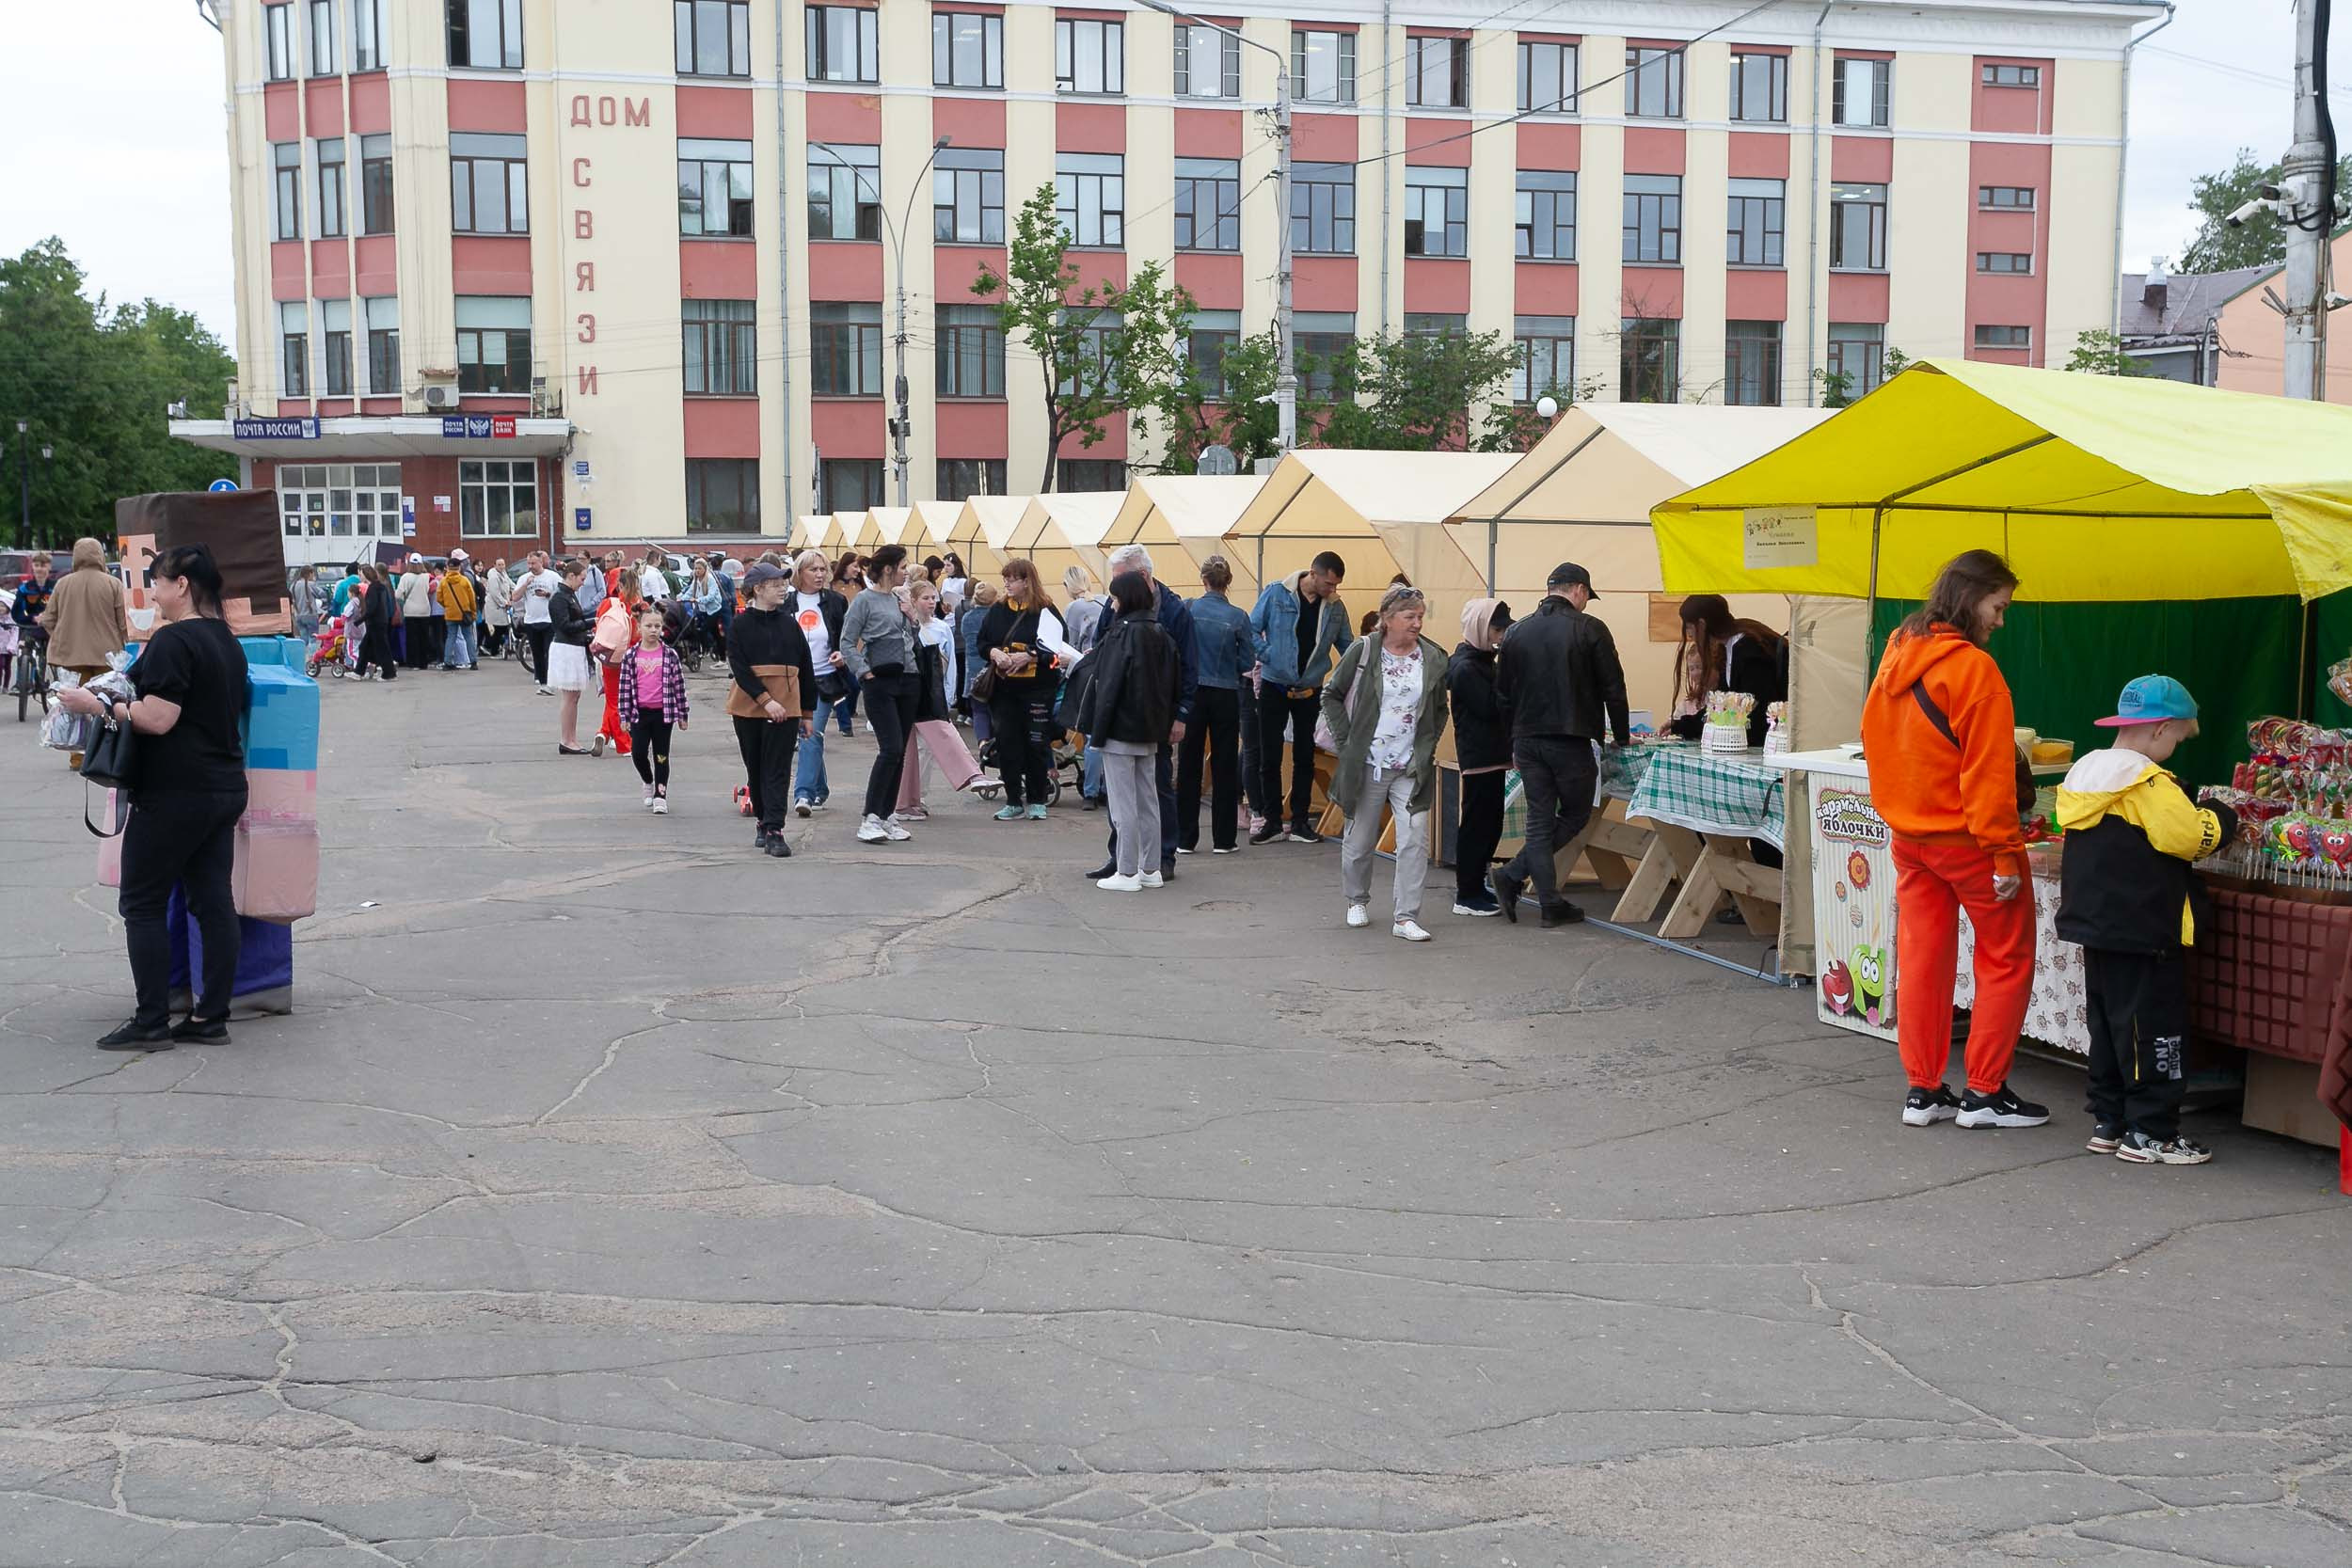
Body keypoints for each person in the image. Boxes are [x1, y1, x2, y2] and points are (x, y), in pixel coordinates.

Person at [1861, 547, 2046, 1132]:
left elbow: (1875, 742)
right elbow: (1988, 772)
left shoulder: (1898, 650)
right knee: (2006, 958)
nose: (2001, 619)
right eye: (1999, 605)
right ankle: (1986, 1092)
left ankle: (1924, 1089)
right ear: (1974, 599)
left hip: (1911, 838)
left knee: (1923, 961)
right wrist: (2001, 850)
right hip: (1970, 840)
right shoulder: (1974, 670)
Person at [52, 546, 248, 1050]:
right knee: (212, 901)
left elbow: (158, 719)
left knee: (141, 901)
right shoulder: (226, 640)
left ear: (182, 585)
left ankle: (151, 1020)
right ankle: (212, 1018)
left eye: (158, 582)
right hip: (223, 786)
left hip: (176, 792)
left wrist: (98, 704)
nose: (153, 592)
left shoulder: (173, 640)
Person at [2055, 676, 2233, 1165]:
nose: (2176, 747)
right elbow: (2190, 837)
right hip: (2146, 927)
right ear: (2160, 729)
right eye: (2178, 737)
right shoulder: (2149, 781)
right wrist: (2222, 816)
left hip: (2097, 925)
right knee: (2157, 1030)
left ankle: (2110, 1120)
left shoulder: (2083, 774)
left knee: (2109, 1028)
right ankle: (2153, 1131)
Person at [1490, 563, 1629, 929]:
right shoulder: (1590, 628)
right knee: (1575, 814)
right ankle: (1530, 888)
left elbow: (1503, 695)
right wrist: (1623, 734)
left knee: (1539, 819)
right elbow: (1613, 689)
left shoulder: (1516, 631)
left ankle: (1534, 890)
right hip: (1571, 737)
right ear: (1580, 590)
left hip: (1527, 738)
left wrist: (1512, 743)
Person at [1322, 584, 1452, 942]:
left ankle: (1406, 916)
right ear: (1388, 619)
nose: (1416, 624)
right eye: (1410, 616)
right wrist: (1349, 743)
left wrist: (1427, 745)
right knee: (1360, 839)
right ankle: (1356, 899)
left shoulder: (1432, 657)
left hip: (1411, 767)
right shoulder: (1363, 650)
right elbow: (1331, 694)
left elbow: (1440, 708)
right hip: (1368, 763)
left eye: (1421, 617)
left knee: (1414, 839)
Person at [1083, 544, 1195, 882]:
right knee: (1143, 797)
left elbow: (1188, 667)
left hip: (1132, 721)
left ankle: (1145, 862)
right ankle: (1138, 863)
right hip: (1149, 720)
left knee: (1136, 797)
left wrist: (1182, 715)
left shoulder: (1171, 612)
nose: (1112, 594)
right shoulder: (1145, 624)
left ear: (1141, 577)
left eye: (1117, 585)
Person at [1248, 551, 1351, 846]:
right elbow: (1251, 628)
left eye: (1336, 585)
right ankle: (1271, 820)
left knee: (1305, 755)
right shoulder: (1277, 593)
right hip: (1274, 686)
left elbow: (1347, 646)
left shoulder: (1335, 607)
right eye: (1329, 583)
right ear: (1313, 574)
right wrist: (1268, 656)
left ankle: (1301, 821)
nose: (1333, 590)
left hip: (1310, 689)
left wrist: (1349, 676)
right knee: (1270, 755)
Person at [977, 558, 1081, 820]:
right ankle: (1013, 800)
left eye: (1012, 579)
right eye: (1006, 579)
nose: (1007, 584)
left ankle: (1037, 800)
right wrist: (994, 653)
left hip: (1038, 690)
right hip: (1004, 690)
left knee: (1037, 743)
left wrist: (1032, 656)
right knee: (1007, 742)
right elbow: (981, 643)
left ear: (1027, 581)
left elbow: (1059, 654)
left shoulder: (1046, 610)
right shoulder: (998, 610)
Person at [728, 561, 818, 856]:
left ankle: (775, 829)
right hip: (749, 706)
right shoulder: (740, 624)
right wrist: (766, 701)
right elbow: (740, 669)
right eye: (776, 584)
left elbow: (805, 668)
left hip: (788, 705)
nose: (783, 589)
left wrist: (807, 712)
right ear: (757, 588)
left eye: (784, 583)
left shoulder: (789, 624)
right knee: (755, 768)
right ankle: (762, 820)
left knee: (778, 769)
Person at [841, 544, 920, 844]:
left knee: (899, 752)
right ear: (888, 569)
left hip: (908, 679)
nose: (906, 572)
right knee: (890, 748)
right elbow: (847, 642)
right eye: (903, 567)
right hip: (880, 681)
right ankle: (870, 816)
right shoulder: (864, 600)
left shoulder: (899, 599)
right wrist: (865, 672)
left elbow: (915, 640)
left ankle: (887, 816)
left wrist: (912, 616)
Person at [1177, 555, 1254, 856]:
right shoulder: (1239, 617)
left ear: (1203, 579)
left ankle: (1185, 838)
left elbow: (1178, 648)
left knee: (1189, 764)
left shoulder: (1189, 608)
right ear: (1229, 582)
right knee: (1223, 765)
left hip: (1193, 692)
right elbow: (1248, 661)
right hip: (1225, 693)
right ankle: (1224, 839)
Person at [896, 576, 986, 819]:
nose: (932, 602)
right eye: (926, 598)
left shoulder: (942, 627)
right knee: (907, 748)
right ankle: (906, 799)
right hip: (911, 692)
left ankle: (918, 796)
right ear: (913, 601)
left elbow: (950, 664)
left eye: (934, 598)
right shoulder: (904, 626)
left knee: (926, 748)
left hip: (933, 693)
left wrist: (949, 694)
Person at [1448, 598, 1513, 916]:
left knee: (1491, 823)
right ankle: (1466, 893)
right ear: (1480, 628)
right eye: (1497, 629)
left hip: (1495, 753)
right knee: (1476, 824)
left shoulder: (1485, 661)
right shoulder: (1465, 667)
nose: (1501, 636)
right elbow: (1490, 708)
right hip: (1479, 755)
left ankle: (1475, 884)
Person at [1665, 594, 1786, 745]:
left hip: (1762, 744)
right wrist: (1681, 725)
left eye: (1689, 627)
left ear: (1702, 625)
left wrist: (1685, 726)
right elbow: (1722, 705)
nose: (1689, 634)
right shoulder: (1730, 648)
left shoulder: (1749, 650)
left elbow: (1750, 709)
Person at [786, 549, 850, 817]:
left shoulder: (836, 601)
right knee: (810, 736)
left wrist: (842, 654)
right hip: (791, 681)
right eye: (813, 569)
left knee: (810, 735)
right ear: (800, 573)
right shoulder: (786, 603)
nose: (820, 574)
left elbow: (848, 636)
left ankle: (803, 794)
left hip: (823, 680)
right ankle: (820, 788)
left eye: (823, 569)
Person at [619, 603, 690, 815]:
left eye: (657, 626)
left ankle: (661, 794)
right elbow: (624, 688)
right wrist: (624, 715)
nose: (653, 630)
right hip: (639, 713)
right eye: (648, 626)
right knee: (638, 753)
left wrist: (682, 714)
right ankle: (648, 780)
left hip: (663, 714)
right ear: (639, 627)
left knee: (661, 756)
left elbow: (679, 686)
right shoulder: (631, 656)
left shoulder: (669, 655)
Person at [39, 537, 131, 687]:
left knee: (76, 704)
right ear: (100, 556)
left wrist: (62, 637)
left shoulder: (62, 584)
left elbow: (48, 619)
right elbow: (124, 623)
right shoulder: (113, 584)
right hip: (107, 656)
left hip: (70, 656)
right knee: (104, 700)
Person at [547, 558, 599, 753]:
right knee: (570, 697)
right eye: (582, 578)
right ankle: (566, 740)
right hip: (566, 649)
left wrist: (587, 632)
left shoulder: (567, 594)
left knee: (574, 696)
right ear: (571, 576)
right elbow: (564, 626)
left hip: (573, 647)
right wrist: (591, 622)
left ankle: (571, 738)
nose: (583, 583)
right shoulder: (560, 597)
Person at [591, 573, 644, 758]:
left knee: (613, 700)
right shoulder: (639, 605)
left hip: (610, 657)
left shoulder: (608, 604)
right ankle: (622, 742)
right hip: (633, 657)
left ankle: (606, 733)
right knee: (628, 700)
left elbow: (598, 628)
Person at [512, 549, 561, 690]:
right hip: (531, 620)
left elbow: (561, 594)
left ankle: (550, 678)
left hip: (548, 620)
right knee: (536, 651)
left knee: (549, 651)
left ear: (541, 562)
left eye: (533, 563)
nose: (530, 566)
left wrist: (548, 594)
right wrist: (526, 584)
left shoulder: (552, 576)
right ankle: (539, 677)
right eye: (529, 563)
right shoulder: (524, 578)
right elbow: (515, 597)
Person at [960, 579, 998, 744]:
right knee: (995, 709)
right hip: (993, 669)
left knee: (979, 710)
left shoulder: (967, 618)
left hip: (973, 670)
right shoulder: (996, 617)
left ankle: (983, 743)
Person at [350, 564, 398, 682]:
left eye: (360, 573)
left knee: (381, 649)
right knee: (365, 647)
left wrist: (359, 621)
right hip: (380, 621)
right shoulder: (381, 586)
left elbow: (372, 608)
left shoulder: (373, 588)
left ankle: (389, 674)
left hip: (376, 623)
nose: (359, 576)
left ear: (366, 574)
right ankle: (359, 672)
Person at [437, 551, 478, 669]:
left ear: (448, 568)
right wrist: (473, 612)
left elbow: (439, 598)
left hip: (450, 613)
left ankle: (448, 662)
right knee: (468, 637)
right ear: (459, 567)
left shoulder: (444, 582)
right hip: (464, 613)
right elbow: (472, 598)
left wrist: (448, 605)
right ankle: (473, 661)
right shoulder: (464, 581)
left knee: (451, 637)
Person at [397, 556, 437, 668]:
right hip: (425, 610)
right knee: (424, 637)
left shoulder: (405, 577)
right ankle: (423, 662)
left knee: (412, 638)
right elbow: (429, 591)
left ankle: (413, 662)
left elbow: (398, 595)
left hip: (410, 611)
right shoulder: (426, 577)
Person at [480, 557, 515, 657]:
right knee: (497, 629)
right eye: (499, 565)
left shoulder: (504, 574)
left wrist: (517, 591)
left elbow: (511, 584)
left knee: (501, 628)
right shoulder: (493, 576)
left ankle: (494, 648)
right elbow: (495, 593)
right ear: (494, 565)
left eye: (503, 564)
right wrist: (504, 602)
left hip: (502, 606)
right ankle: (491, 649)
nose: (501, 566)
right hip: (495, 606)